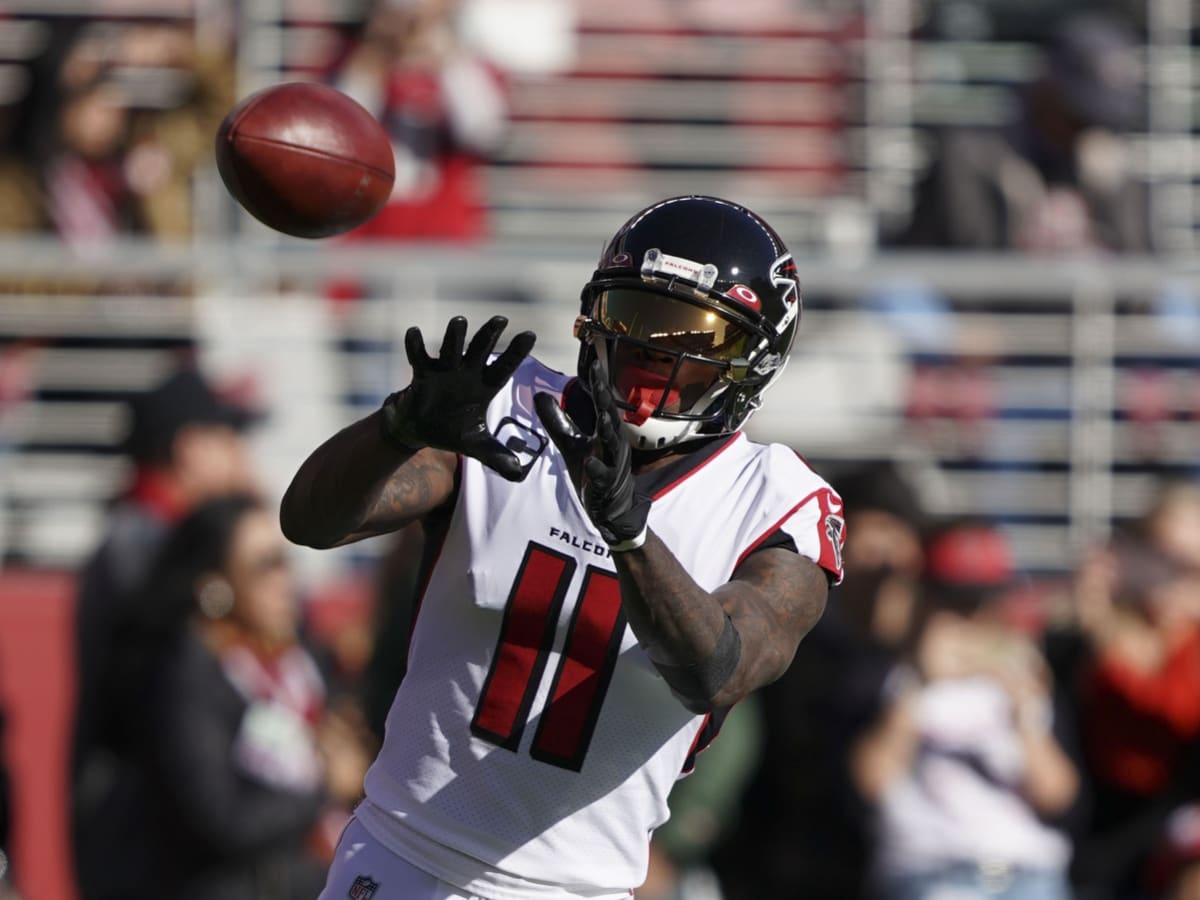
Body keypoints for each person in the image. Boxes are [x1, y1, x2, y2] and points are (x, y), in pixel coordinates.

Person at [280, 195, 845, 900]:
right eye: (635, 320)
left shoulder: (776, 500)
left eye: (695, 338)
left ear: (752, 361)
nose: (653, 354)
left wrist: (630, 535)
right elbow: (311, 522)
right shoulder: (506, 407)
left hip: (576, 889)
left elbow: (716, 671)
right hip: (403, 856)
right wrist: (394, 428)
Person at [70, 364, 260, 900]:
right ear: (189, 448)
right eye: (227, 437)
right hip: (141, 834)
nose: (240, 455)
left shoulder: (145, 536)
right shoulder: (144, 542)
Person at [131, 493, 370, 900]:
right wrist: (325, 787)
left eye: (286, 562)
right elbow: (225, 819)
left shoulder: (303, 660)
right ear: (217, 585)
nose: (286, 582)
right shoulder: (192, 673)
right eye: (266, 566)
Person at [850, 519, 1080, 900]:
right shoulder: (888, 677)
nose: (968, 618)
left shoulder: (1025, 675)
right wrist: (920, 684)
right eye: (953, 603)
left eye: (979, 603)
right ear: (924, 600)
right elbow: (871, 782)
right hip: (925, 872)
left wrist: (1024, 712)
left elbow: (1057, 795)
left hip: (1027, 872)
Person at [892, 11, 1150, 254]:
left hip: (1074, 295)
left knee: (1177, 301)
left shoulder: (1109, 161)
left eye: (1101, 119)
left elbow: (1141, 277)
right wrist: (1025, 223)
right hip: (967, 293)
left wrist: (1107, 202)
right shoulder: (975, 150)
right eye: (1079, 115)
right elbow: (964, 262)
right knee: (899, 299)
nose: (1090, 128)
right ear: (1049, 89)